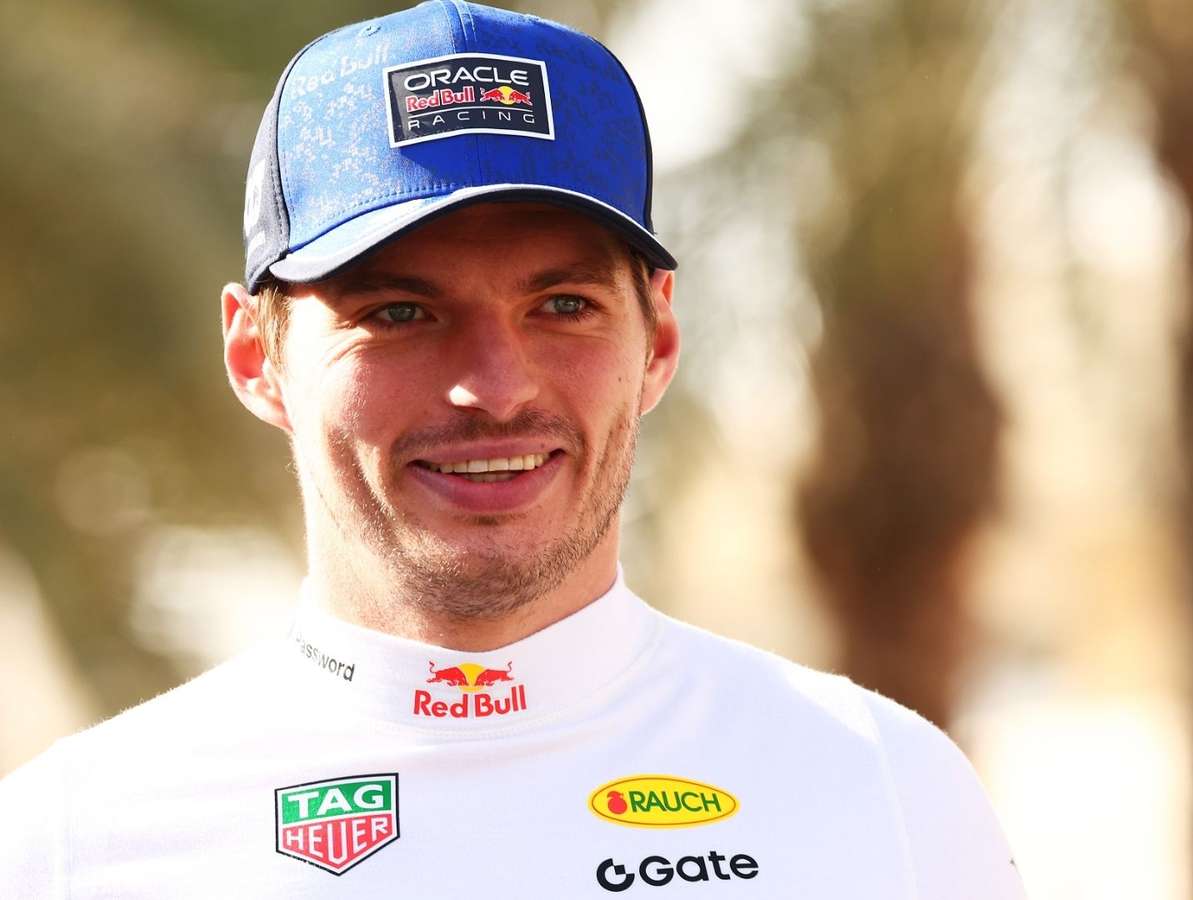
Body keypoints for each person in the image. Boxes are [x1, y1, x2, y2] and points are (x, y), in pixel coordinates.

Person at [0, 2, 1027, 896]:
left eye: (564, 305)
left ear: (659, 339)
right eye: (398, 312)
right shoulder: (71, 845)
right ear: (254, 357)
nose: (494, 386)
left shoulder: (882, 792)